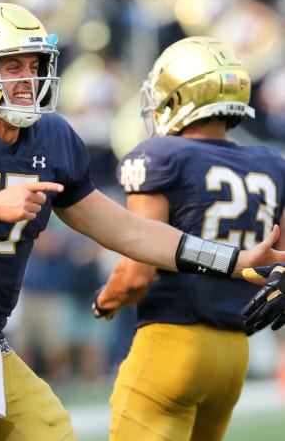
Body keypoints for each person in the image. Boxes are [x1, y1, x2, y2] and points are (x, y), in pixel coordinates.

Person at [0, 2, 285, 441]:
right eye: (12, 67)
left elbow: (130, 232)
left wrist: (233, 260)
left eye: (36, 64)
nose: (29, 79)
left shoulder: (54, 137)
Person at [92, 36, 285, 441]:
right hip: (234, 355)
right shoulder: (270, 163)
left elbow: (137, 269)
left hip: (172, 341)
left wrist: (105, 301)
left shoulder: (161, 155)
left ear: (181, 96)